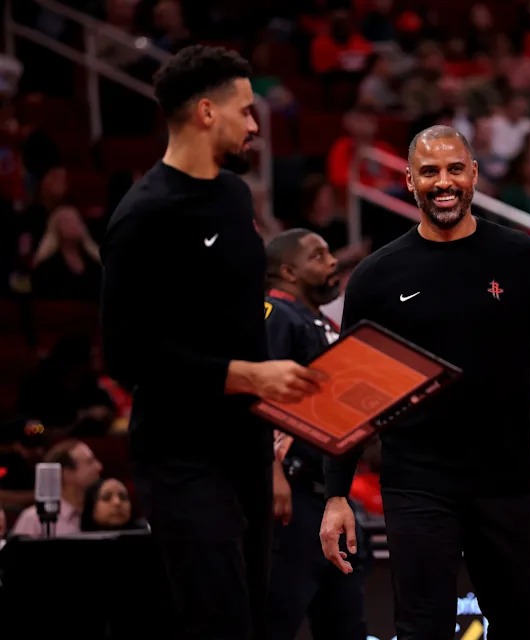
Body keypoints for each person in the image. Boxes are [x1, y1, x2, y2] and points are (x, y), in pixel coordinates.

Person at [319, 125, 530, 639]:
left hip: (508, 482)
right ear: (409, 180)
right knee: (422, 630)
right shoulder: (375, 277)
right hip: (417, 485)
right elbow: (347, 394)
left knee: (524, 628)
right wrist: (336, 496)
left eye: (454, 169)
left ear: (474, 174)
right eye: (429, 171)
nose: (443, 182)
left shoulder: (523, 258)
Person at [99, 45, 321, 640]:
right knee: (216, 621)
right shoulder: (142, 216)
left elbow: (244, 325)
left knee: (253, 619)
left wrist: (272, 424)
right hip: (180, 456)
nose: (254, 125)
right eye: (246, 111)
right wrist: (248, 376)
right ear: (205, 112)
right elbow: (126, 355)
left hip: (245, 447)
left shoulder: (233, 196)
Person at [262, 228, 369, 640]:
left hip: (329, 493)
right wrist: (272, 475)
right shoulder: (275, 314)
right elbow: (263, 400)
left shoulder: (319, 320)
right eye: (318, 255)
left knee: (345, 621)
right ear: (288, 271)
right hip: (292, 492)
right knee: (278, 618)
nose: (332, 261)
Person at [10, 438, 102, 537]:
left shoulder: (101, 514)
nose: (99, 467)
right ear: (68, 474)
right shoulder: (33, 519)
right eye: (90, 462)